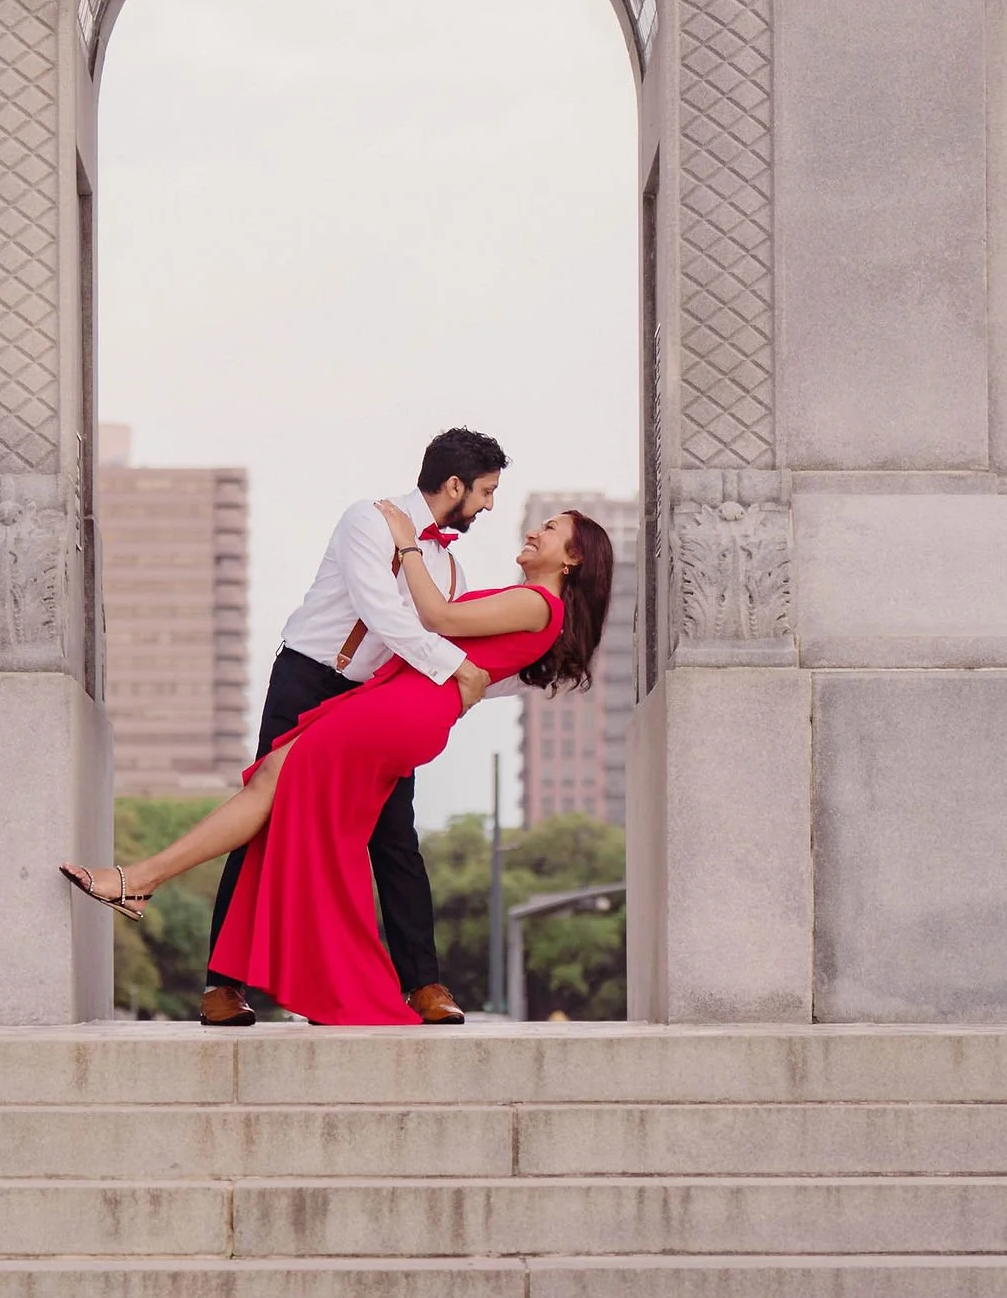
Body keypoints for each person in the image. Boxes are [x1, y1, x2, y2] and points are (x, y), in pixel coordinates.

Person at [62, 499, 616, 1028]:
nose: (534, 530)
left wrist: (407, 548)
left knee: (286, 797)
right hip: (397, 706)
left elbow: (436, 616)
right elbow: (462, 653)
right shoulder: (532, 606)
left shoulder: (541, 603)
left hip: (403, 709)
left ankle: (139, 881)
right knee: (281, 790)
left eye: (550, 528)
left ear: (572, 558)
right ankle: (142, 885)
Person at [216, 429, 511, 1028]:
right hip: (309, 678)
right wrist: (459, 668)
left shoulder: (447, 569)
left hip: (373, 702)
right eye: (485, 492)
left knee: (395, 836)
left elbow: (437, 634)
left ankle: (423, 984)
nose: (487, 506)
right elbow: (383, 613)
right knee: (263, 820)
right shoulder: (368, 521)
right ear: (454, 485)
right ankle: (222, 986)